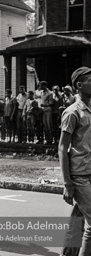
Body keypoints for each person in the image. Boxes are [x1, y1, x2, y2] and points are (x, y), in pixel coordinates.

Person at [59, 67, 91, 256]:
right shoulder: (72, 113)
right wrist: (67, 183)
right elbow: (63, 148)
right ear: (79, 85)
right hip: (79, 175)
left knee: (79, 219)